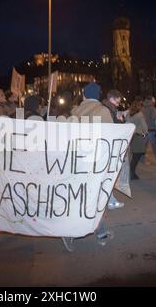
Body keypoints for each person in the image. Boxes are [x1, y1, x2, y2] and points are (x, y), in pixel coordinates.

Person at [64, 82, 116, 252]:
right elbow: (110, 138)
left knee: (80, 198)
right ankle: (74, 233)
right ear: (98, 95)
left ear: (84, 95)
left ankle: (97, 232)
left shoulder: (74, 112)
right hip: (95, 162)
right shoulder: (102, 111)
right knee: (95, 198)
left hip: (76, 162)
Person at [126, 99, 148, 180]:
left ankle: (131, 172)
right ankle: (132, 173)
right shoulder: (140, 115)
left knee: (132, 156)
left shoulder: (128, 114)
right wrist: (145, 133)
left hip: (130, 136)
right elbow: (144, 127)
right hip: (137, 137)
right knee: (136, 156)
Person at [142, 96, 156, 163]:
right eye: (154, 100)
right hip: (151, 130)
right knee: (155, 146)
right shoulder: (153, 109)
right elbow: (154, 119)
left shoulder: (142, 108)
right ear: (152, 101)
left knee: (143, 146)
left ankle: (142, 159)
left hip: (144, 130)